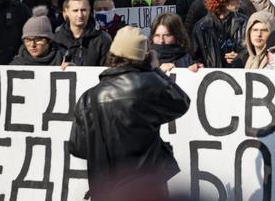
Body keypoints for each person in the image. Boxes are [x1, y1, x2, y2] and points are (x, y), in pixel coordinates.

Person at [70, 26, 191, 201]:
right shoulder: (149, 84)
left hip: (106, 191)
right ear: (143, 56)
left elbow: (78, 147)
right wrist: (156, 69)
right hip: (147, 188)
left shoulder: (89, 97)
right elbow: (181, 102)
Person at [191, 0, 248, 68]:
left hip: (237, 75)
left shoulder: (244, 22)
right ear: (224, 1)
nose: (239, 2)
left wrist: (240, 57)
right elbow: (195, 56)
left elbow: (250, 49)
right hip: (212, 77)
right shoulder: (201, 27)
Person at [53, 0, 112, 66]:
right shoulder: (56, 38)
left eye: (83, 10)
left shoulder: (103, 39)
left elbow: (107, 71)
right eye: (75, 11)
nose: (80, 15)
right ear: (66, 12)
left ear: (89, 11)